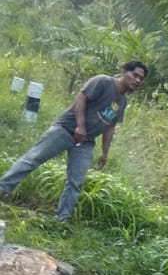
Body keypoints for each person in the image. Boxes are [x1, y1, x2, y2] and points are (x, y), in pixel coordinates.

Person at [0, 62, 149, 222]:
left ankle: (62, 219)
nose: (138, 80)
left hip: (86, 142)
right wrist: (80, 126)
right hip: (66, 129)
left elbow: (110, 127)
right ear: (124, 72)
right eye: (135, 75)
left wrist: (105, 152)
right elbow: (81, 98)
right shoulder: (103, 81)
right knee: (32, 159)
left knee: (75, 182)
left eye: (141, 78)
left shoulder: (122, 102)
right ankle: (2, 189)